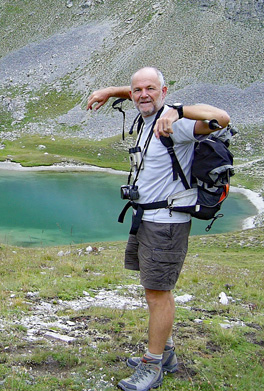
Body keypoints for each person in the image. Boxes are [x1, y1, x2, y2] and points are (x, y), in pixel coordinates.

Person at [86, 67, 230, 391]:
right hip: (148, 218)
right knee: (156, 290)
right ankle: (165, 353)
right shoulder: (147, 112)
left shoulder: (174, 123)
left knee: (157, 293)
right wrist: (111, 90)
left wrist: (178, 111)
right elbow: (142, 95)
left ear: (165, 92)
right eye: (137, 90)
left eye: (151, 89)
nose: (142, 94)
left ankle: (152, 366)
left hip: (167, 223)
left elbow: (222, 118)